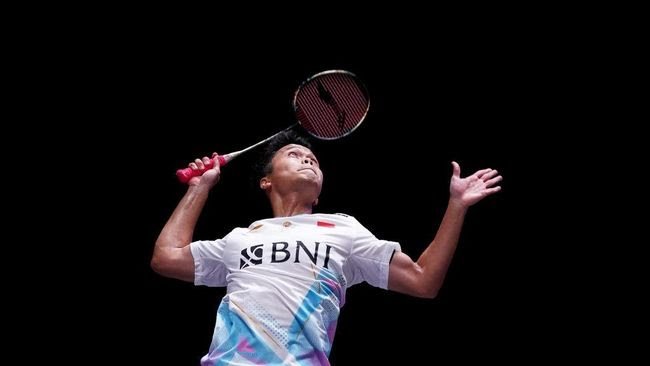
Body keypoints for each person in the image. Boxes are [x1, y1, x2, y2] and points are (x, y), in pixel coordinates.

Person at [151, 131, 502, 365]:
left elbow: (423, 281)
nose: (308, 160)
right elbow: (165, 258)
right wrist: (199, 187)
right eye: (295, 154)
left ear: (318, 193)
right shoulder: (240, 238)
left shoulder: (343, 228)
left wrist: (456, 205)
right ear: (266, 181)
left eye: (314, 160)